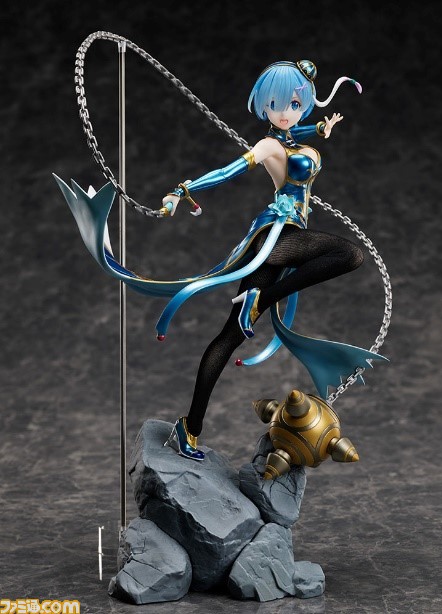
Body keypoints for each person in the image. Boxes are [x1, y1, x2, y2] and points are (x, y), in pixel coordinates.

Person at [54, 60, 386, 463]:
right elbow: (228, 171)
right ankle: (260, 300)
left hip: (283, 242)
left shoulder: (289, 138)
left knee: (228, 338)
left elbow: (293, 133)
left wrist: (318, 129)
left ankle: (189, 428)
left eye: (294, 104)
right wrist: (183, 190)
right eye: (275, 104)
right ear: (263, 106)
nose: (284, 111)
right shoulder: (268, 146)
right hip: (276, 235)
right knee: (349, 254)